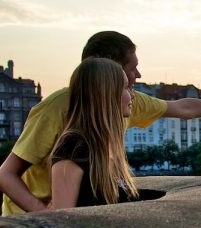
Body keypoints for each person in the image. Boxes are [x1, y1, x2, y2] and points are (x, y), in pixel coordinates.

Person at [0, 31, 201, 215]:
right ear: (106, 77)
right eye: (130, 70)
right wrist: (41, 212)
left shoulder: (125, 103)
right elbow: (7, 175)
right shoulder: (58, 113)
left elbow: (183, 107)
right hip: (31, 226)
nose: (138, 76)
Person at [49, 57, 138, 208]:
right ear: (106, 93)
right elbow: (62, 219)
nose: (132, 95)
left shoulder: (104, 144)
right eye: (125, 87)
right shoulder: (73, 146)